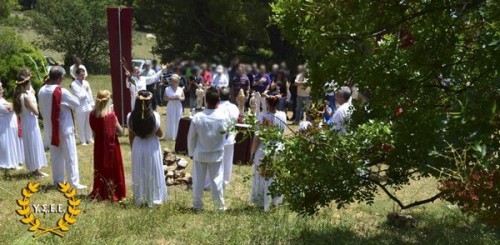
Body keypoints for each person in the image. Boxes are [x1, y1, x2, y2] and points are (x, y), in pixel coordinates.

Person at [38, 66, 87, 189]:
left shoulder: (42, 90)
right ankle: (74, 182)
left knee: (55, 156)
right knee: (70, 155)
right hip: (64, 128)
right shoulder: (62, 91)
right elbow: (76, 102)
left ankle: (58, 181)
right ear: (61, 78)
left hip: (50, 127)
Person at [188, 87, 229, 211]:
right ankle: (219, 206)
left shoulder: (198, 117)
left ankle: (197, 205)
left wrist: (191, 152)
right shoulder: (223, 117)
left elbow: (191, 137)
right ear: (219, 101)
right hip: (216, 153)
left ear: (205, 100)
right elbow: (226, 134)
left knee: (198, 180)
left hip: (200, 153)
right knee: (217, 180)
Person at [127, 90, 167, 207]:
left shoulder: (131, 116)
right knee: (153, 170)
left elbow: (131, 136)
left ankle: (141, 198)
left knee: (140, 170)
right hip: (151, 146)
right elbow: (160, 134)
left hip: (138, 145)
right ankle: (154, 197)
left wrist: (133, 149)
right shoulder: (155, 116)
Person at [250, 96, 287, 211]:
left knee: (263, 175)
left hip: (265, 148)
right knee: (275, 174)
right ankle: (275, 200)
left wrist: (252, 153)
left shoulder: (262, 116)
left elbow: (257, 138)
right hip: (278, 147)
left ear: (267, 103)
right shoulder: (283, 115)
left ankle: (263, 201)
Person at [89, 90, 126, 201]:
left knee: (100, 168)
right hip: (112, 146)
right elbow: (120, 132)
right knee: (113, 168)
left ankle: (101, 191)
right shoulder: (111, 116)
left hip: (99, 145)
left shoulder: (92, 115)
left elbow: (94, 133)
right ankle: (114, 192)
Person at [13, 69, 48, 177]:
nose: (30, 84)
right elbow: (36, 111)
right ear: (25, 85)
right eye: (29, 82)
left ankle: (35, 169)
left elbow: (32, 90)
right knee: (33, 144)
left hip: (27, 122)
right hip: (30, 122)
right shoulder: (26, 97)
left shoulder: (21, 94)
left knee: (32, 144)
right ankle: (35, 170)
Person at [204, 87, 239, 190]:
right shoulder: (234, 107)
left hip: (218, 138)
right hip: (230, 137)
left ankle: (209, 183)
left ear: (219, 96)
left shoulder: (217, 107)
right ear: (229, 96)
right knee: (227, 161)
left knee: (214, 161)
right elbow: (236, 120)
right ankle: (224, 183)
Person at [0, 81, 24, 171]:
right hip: (5, 127)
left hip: (9, 126)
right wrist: (14, 105)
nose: (2, 90)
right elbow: (10, 108)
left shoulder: (2, 100)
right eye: (0, 89)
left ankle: (14, 161)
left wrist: (13, 105)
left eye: (2, 89)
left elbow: (12, 106)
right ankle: (10, 163)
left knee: (12, 144)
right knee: (8, 144)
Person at [70, 68, 94, 145]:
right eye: (81, 75)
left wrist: (92, 104)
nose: (83, 76)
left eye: (84, 75)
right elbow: (79, 96)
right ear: (77, 75)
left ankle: (89, 138)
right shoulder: (74, 84)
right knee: (81, 124)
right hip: (80, 107)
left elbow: (90, 93)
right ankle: (82, 140)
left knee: (89, 123)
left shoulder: (86, 82)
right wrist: (85, 91)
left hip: (88, 106)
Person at [164, 74, 185, 140]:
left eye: (175, 81)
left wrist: (179, 98)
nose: (174, 82)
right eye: (172, 81)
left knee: (178, 119)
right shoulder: (167, 89)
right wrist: (171, 98)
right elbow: (164, 98)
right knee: (171, 119)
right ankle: (170, 135)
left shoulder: (180, 89)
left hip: (178, 105)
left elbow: (183, 97)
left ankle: (177, 135)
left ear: (178, 81)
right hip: (171, 105)